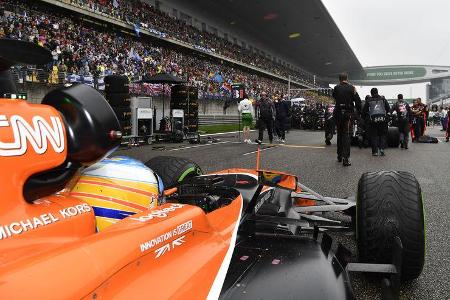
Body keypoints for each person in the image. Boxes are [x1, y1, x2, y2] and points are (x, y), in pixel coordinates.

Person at [332, 73, 362, 166]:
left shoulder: (336, 88)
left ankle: (339, 156)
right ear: (347, 79)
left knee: (340, 135)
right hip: (348, 115)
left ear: (339, 79)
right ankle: (346, 159)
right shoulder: (352, 88)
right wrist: (358, 113)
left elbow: (334, 97)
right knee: (347, 136)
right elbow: (358, 102)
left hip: (338, 114)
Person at [362, 88, 390, 156]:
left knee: (374, 135)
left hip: (373, 120)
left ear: (371, 93)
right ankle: (382, 149)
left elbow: (364, 111)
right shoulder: (383, 99)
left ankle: (375, 152)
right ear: (377, 92)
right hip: (382, 119)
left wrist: (365, 118)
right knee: (382, 134)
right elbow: (388, 108)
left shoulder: (368, 100)